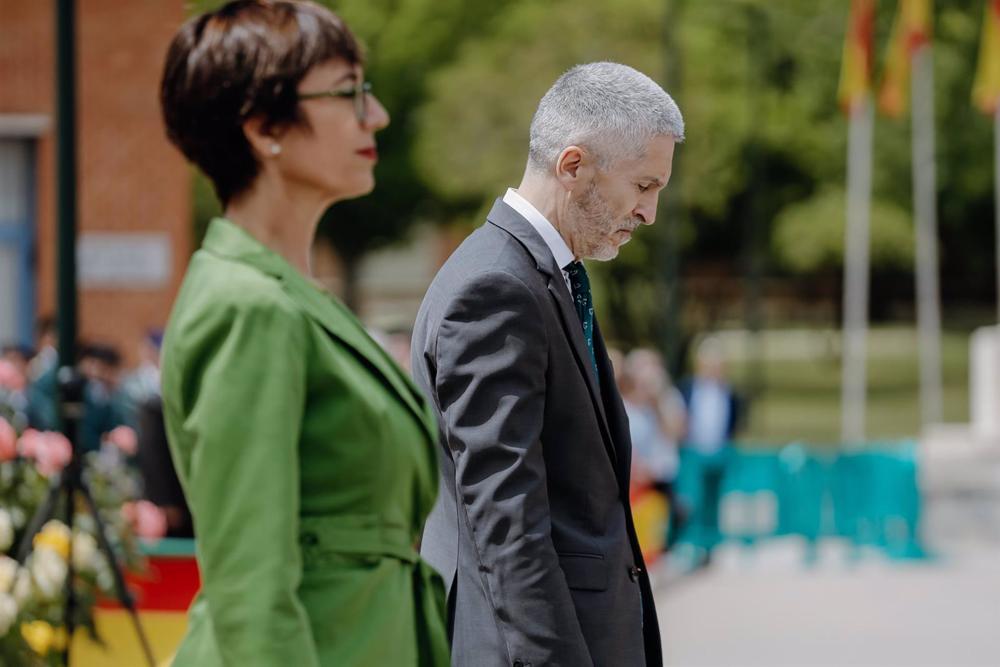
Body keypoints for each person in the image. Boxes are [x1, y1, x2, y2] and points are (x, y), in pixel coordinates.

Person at [158, 2, 447, 664]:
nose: (376, 115)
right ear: (265, 126)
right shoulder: (248, 305)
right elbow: (251, 586)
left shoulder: (291, 296)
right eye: (348, 93)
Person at [412, 62, 684, 667]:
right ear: (573, 165)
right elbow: (506, 524)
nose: (649, 213)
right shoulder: (494, 287)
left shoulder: (544, 277)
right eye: (643, 186)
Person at [677, 336, 742, 562]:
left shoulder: (729, 392)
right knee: (693, 499)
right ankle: (693, 544)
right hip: (694, 452)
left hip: (719, 452)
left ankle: (710, 546)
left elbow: (734, 421)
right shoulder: (688, 388)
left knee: (714, 501)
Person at [620, 348, 687, 551]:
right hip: (636, 476)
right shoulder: (626, 404)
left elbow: (676, 433)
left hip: (661, 472)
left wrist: (658, 404)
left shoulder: (668, 399)